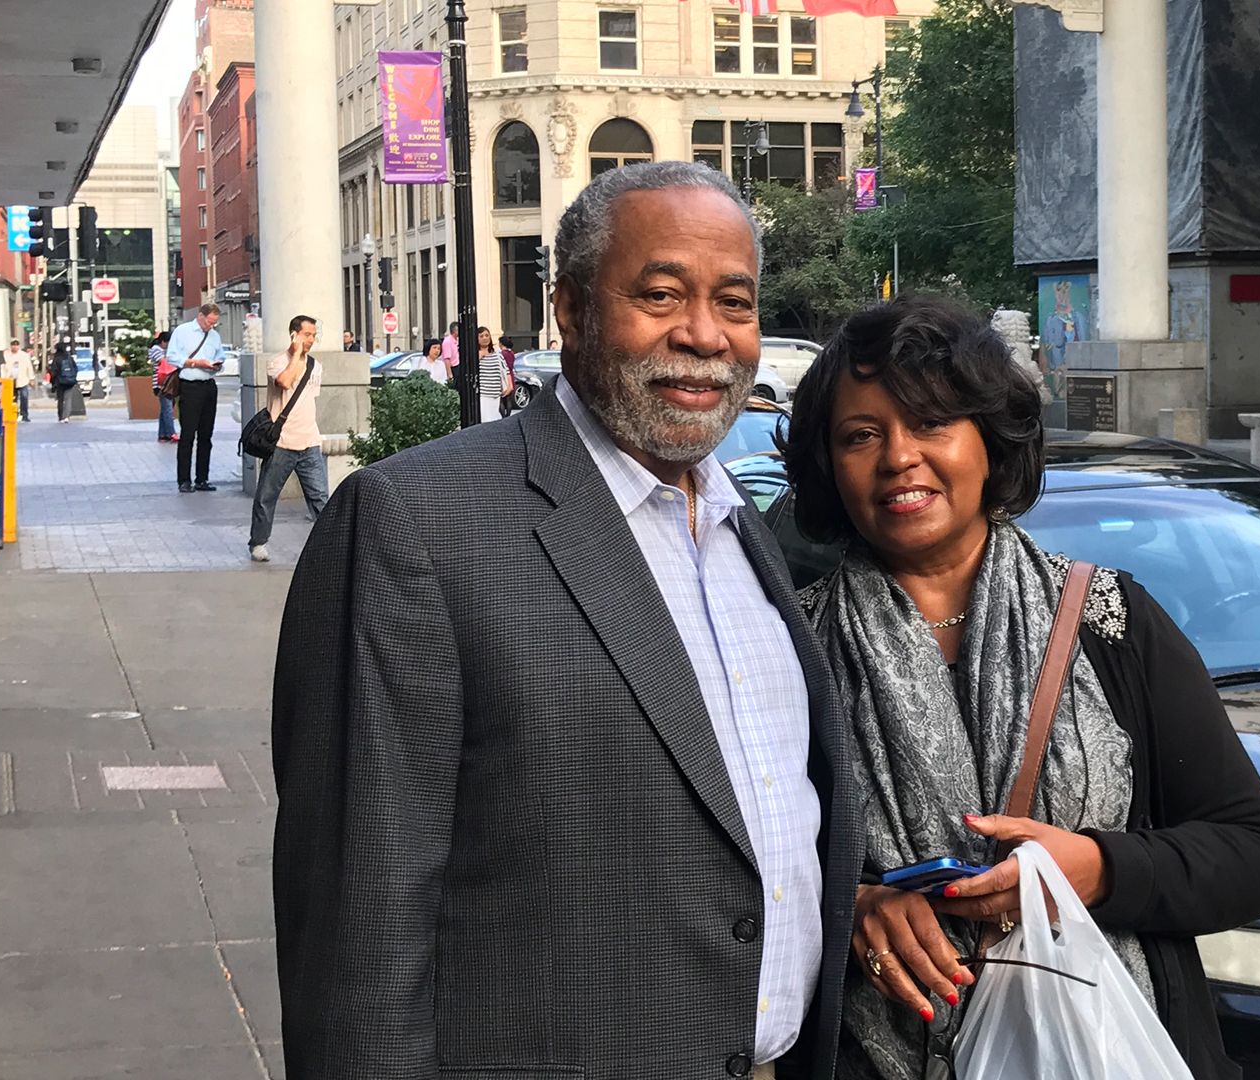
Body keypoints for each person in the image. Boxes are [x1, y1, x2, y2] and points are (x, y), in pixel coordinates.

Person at [272, 160, 862, 1079]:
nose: (704, 335)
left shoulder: (745, 527)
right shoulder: (414, 523)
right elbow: (360, 920)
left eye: (734, 303)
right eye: (660, 294)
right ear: (573, 311)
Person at [780, 296, 1260, 1080]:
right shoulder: (790, 648)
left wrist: (1098, 870)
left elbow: (1251, 854)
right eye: (860, 435)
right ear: (828, 465)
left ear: (991, 441)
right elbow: (732, 885)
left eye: (931, 423)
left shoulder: (1112, 623)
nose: (898, 457)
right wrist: (850, 909)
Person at [247, 315, 327, 563]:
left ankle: (330, 545)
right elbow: (284, 382)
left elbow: (309, 400)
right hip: (281, 443)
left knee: (321, 500)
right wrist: (295, 355)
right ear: (294, 335)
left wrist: (303, 357)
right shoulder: (277, 362)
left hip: (310, 442)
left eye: (314, 335)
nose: (311, 340)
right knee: (266, 496)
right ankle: (258, 543)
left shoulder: (315, 366)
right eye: (307, 335)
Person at [167, 303, 225, 493]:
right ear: (200, 316)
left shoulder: (214, 336)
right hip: (190, 386)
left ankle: (202, 478)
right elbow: (172, 357)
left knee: (206, 436)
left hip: (208, 385)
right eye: (209, 322)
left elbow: (221, 356)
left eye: (214, 323)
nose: (211, 326)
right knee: (188, 435)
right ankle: (184, 480)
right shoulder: (182, 331)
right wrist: (194, 363)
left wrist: (217, 365)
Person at [474, 326, 513, 422]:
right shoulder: (474, 354)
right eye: (481, 336)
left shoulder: (497, 353)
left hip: (496, 394)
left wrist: (510, 385)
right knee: (485, 420)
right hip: (483, 394)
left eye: (487, 335)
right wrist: (477, 358)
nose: (484, 338)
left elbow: (505, 370)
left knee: (494, 419)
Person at [150, 331, 177, 442]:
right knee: (167, 410)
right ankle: (171, 433)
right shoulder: (155, 350)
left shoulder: (164, 350)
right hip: (162, 384)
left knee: (165, 410)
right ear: (163, 342)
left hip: (169, 383)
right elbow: (164, 362)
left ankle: (163, 434)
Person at [49, 340, 80, 422]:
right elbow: (75, 368)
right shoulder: (69, 357)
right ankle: (67, 416)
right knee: (68, 399)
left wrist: (52, 382)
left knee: (60, 399)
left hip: (60, 381)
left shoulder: (57, 358)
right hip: (69, 381)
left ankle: (61, 416)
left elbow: (53, 371)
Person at [1, 338, 32, 422]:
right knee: (12, 399)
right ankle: (14, 414)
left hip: (22, 379)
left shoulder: (24, 355)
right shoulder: (7, 355)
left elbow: (29, 367)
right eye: (13, 345)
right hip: (10, 380)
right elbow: (3, 367)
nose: (14, 346)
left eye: (16, 345)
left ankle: (24, 415)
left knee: (24, 397)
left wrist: (31, 378)